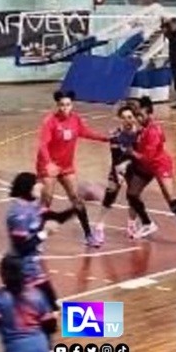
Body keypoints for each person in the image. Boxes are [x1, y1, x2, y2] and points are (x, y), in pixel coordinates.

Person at [5, 172, 75, 352]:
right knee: (44, 313)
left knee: (51, 310)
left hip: (35, 271)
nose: (41, 188)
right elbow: (22, 247)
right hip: (23, 272)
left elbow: (56, 218)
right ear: (27, 188)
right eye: (37, 185)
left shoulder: (34, 208)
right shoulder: (17, 214)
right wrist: (44, 233)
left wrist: (79, 204)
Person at [126, 96, 176, 248]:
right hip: (146, 165)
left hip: (160, 165)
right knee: (132, 194)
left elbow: (148, 157)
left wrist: (131, 153)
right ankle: (148, 223)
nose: (138, 118)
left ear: (150, 115)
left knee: (172, 200)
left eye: (141, 116)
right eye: (137, 116)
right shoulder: (141, 129)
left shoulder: (153, 131)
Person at [36, 90, 109, 248]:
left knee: (76, 199)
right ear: (57, 105)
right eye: (62, 105)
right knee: (46, 200)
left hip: (66, 166)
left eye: (68, 105)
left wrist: (106, 139)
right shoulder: (50, 121)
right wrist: (48, 163)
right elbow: (42, 145)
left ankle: (88, 235)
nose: (65, 108)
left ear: (72, 105)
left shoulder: (76, 119)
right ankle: (38, 238)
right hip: (47, 166)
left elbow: (86, 133)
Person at [94, 104, 141, 243]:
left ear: (134, 118)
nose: (128, 120)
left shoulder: (140, 134)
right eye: (124, 118)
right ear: (120, 119)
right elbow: (115, 157)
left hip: (135, 168)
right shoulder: (115, 135)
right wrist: (118, 173)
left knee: (134, 197)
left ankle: (131, 224)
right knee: (110, 195)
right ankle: (99, 226)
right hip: (119, 167)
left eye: (130, 117)